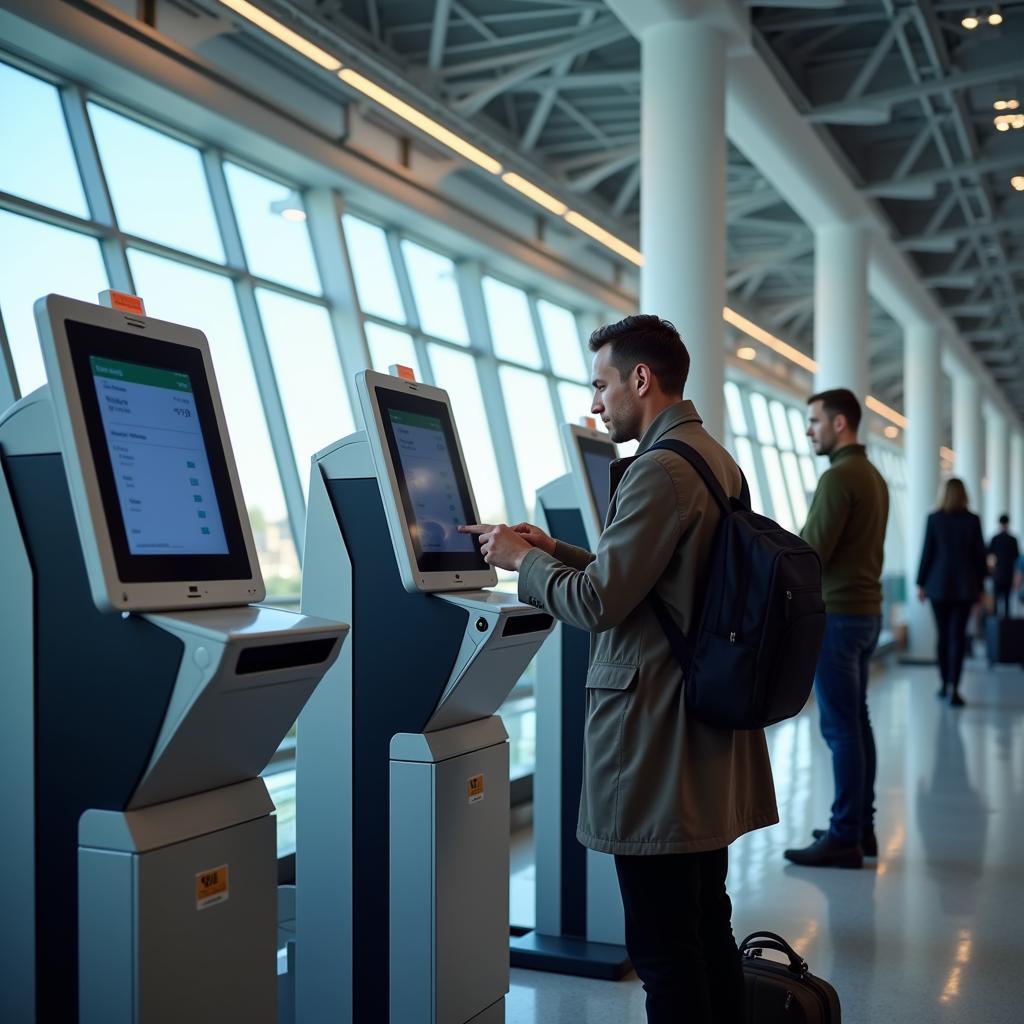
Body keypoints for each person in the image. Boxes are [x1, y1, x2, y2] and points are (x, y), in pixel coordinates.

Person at [460, 315, 777, 1024]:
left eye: (601, 384)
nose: (596, 403)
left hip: (658, 737)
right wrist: (556, 547)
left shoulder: (659, 470)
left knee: (665, 952)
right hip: (700, 729)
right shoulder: (711, 458)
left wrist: (522, 563)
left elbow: (600, 602)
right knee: (705, 928)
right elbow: (659, 580)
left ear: (641, 378)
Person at [784, 389, 888, 870]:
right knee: (856, 725)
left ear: (840, 423)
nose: (810, 431)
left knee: (841, 729)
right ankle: (858, 827)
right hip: (867, 613)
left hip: (840, 616)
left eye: (815, 422)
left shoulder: (839, 477)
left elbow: (812, 551)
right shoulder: (872, 476)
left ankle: (846, 835)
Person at [917, 479, 988, 706]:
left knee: (943, 636)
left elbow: (927, 552)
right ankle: (954, 688)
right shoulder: (972, 520)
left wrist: (920, 584)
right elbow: (980, 557)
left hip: (937, 586)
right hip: (965, 587)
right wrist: (982, 588)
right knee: (957, 637)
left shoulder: (934, 519)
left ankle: (944, 683)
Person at [988, 514, 1020, 619]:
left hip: (998, 573)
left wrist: (991, 570)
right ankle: (1006, 628)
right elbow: (1016, 558)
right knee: (1006, 601)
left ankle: (996, 629)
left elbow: (990, 557)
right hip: (1008, 573)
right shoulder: (1013, 539)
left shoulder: (995, 539)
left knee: (997, 600)